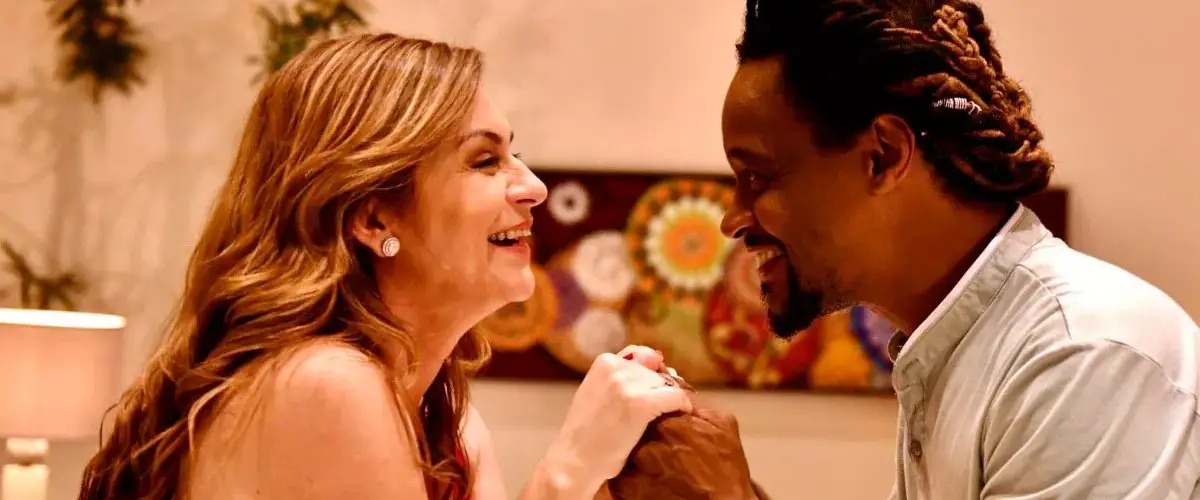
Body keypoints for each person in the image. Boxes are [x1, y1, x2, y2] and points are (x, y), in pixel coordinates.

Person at [76, 33, 692, 500]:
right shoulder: (326, 383)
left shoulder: (450, 427)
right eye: (484, 161)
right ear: (373, 220)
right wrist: (571, 467)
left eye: (515, 155)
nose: (533, 187)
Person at [705, 0, 1200, 498]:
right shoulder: (960, 352)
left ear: (884, 156)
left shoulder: (1081, 358)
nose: (733, 219)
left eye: (757, 176)